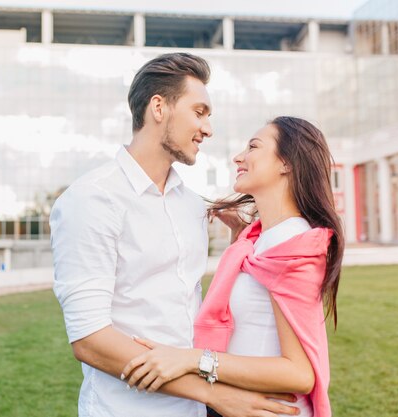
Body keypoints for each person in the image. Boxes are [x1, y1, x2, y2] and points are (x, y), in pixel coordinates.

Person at [50, 53, 300, 417]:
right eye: (199, 112)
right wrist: (215, 395)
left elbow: (194, 305)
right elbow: (91, 341)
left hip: (194, 410)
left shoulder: (192, 205)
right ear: (158, 108)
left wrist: (241, 242)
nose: (208, 129)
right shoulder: (91, 200)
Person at [121, 116, 344, 417]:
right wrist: (239, 237)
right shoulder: (262, 239)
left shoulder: (293, 246)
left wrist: (193, 359)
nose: (238, 157)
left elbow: (300, 374)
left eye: (253, 146)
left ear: (287, 163)